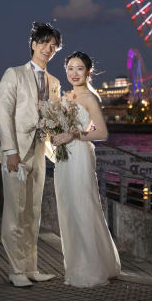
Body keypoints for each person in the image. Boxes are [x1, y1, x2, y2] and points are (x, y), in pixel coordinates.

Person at [0, 22, 62, 287]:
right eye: (44, 43)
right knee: (15, 211)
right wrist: (10, 151)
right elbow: (4, 114)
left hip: (39, 152)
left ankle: (31, 267)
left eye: (53, 46)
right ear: (33, 44)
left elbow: (55, 119)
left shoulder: (54, 82)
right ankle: (16, 270)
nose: (48, 49)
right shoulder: (13, 74)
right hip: (17, 153)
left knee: (33, 212)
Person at [51, 51, 121, 287]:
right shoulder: (66, 96)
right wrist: (55, 135)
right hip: (63, 158)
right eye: (70, 68)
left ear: (88, 72)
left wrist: (74, 135)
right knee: (68, 207)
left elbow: (102, 133)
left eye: (79, 68)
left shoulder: (90, 98)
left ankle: (90, 269)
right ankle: (76, 265)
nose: (74, 73)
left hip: (80, 155)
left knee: (83, 205)